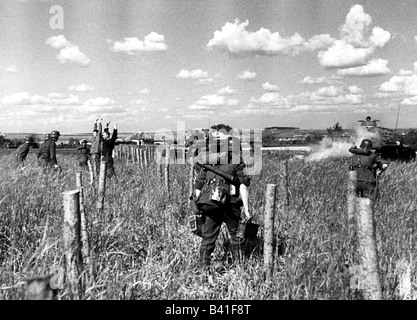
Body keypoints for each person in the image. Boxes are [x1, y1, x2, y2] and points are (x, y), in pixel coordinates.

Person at [194, 130, 252, 271]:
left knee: (208, 239)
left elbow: (198, 186)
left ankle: (203, 270)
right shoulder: (237, 162)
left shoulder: (208, 163)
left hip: (209, 205)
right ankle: (240, 268)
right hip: (229, 205)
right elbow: (243, 187)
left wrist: (197, 206)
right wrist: (247, 208)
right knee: (237, 236)